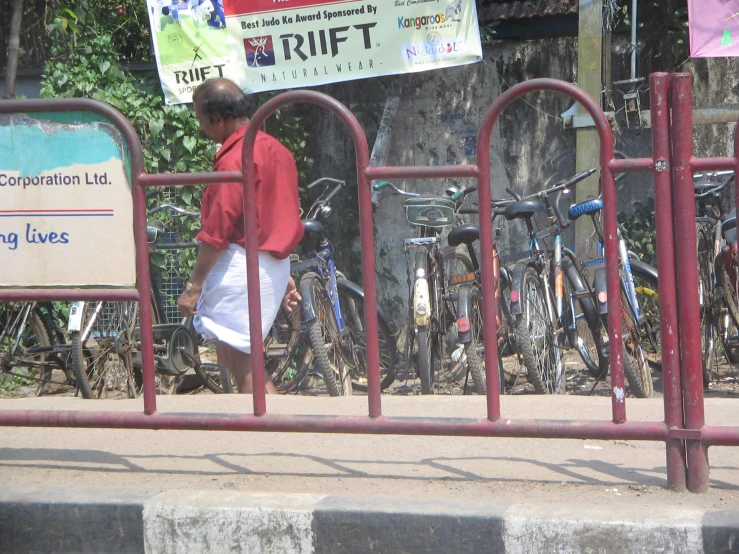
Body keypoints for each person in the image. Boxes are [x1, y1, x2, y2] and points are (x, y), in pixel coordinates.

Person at [177, 78, 303, 394]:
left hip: (242, 265)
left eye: (202, 121)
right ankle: (260, 427)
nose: (203, 129)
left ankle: (273, 432)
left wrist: (193, 287)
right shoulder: (277, 149)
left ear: (218, 119)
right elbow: (280, 213)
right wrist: (281, 269)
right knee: (237, 357)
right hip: (268, 263)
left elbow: (218, 230)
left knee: (245, 364)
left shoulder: (236, 156)